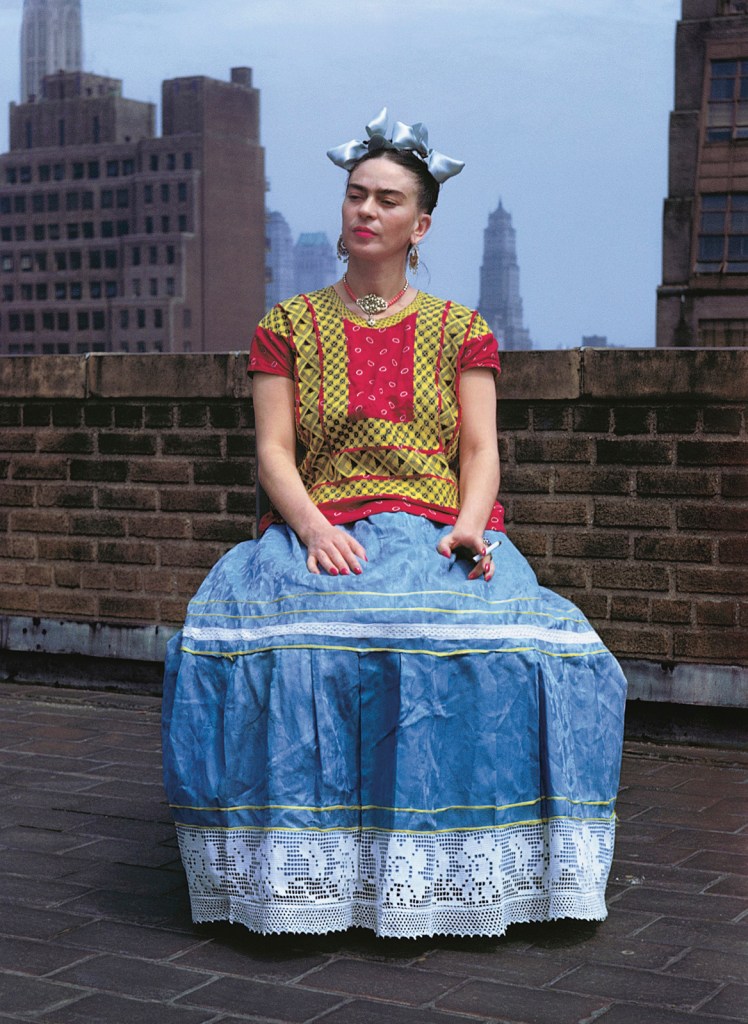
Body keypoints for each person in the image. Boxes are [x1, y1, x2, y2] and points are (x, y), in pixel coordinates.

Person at [162, 109, 627, 939]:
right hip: (323, 524)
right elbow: (273, 453)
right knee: (290, 648)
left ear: (421, 225)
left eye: (387, 199)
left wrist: (473, 525)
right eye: (356, 195)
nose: (366, 211)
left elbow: (479, 450)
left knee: (513, 651)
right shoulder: (286, 327)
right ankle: (311, 875)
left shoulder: (462, 331)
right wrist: (312, 530)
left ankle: (449, 866)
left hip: (440, 527)